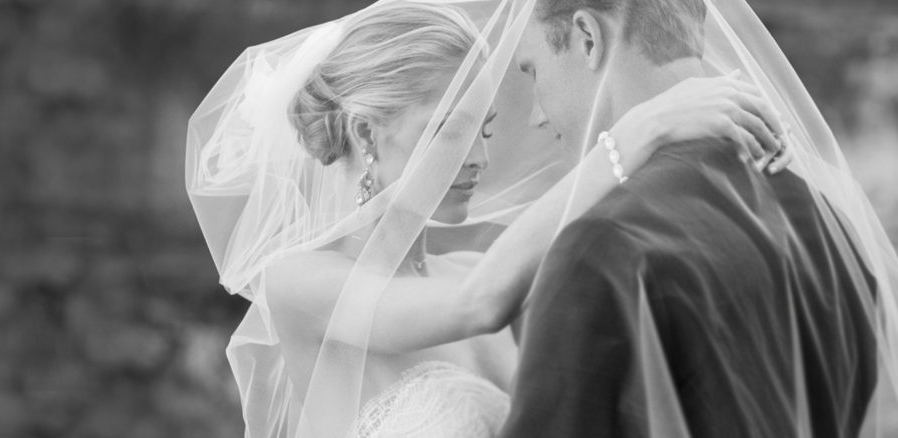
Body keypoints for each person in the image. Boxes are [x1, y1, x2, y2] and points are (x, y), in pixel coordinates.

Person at [186, 1, 791, 437]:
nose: (476, 158)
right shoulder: (298, 283)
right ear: (368, 131)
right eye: (450, 131)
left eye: (485, 131)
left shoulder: (482, 265)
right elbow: (477, 304)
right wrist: (640, 130)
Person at [499, 0, 896, 437]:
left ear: (588, 38)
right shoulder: (827, 218)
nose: (537, 116)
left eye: (533, 71)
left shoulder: (600, 245)